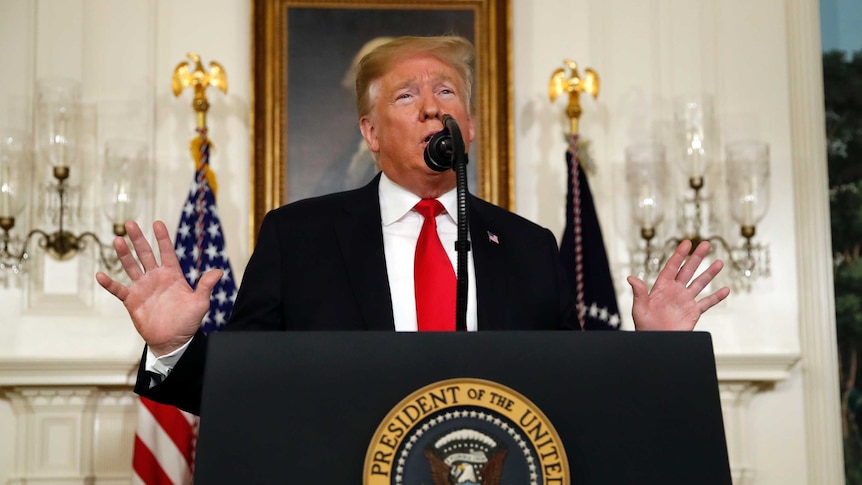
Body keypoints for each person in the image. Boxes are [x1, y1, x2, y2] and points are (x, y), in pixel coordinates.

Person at [96, 35, 729, 415]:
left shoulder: (531, 249)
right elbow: (245, 391)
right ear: (370, 133)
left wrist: (658, 353)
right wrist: (173, 346)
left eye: (447, 92)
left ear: (470, 126)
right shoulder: (299, 237)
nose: (431, 105)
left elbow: (573, 392)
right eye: (406, 96)